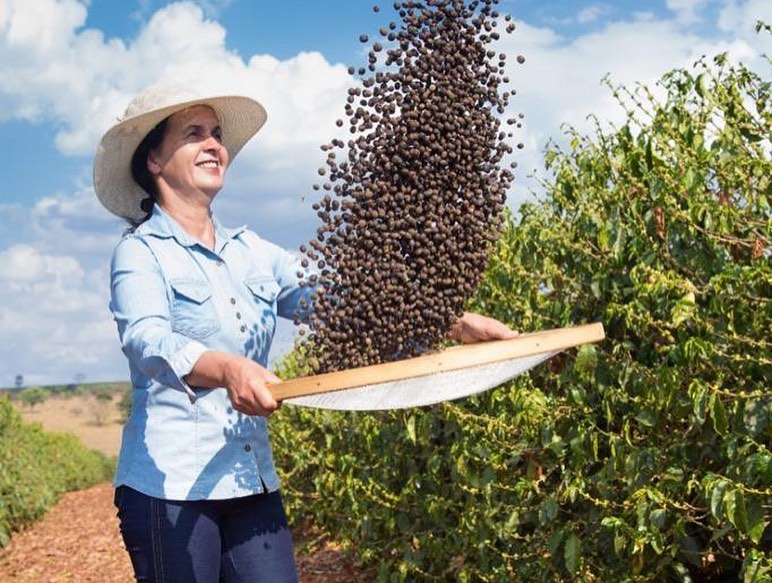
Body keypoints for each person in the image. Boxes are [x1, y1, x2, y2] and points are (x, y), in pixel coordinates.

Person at [93, 81, 517, 583]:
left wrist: (452, 319)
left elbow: (345, 305)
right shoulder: (141, 253)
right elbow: (148, 341)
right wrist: (227, 368)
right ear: (155, 162)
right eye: (193, 134)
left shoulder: (255, 253)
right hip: (170, 489)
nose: (214, 144)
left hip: (248, 479)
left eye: (216, 133)